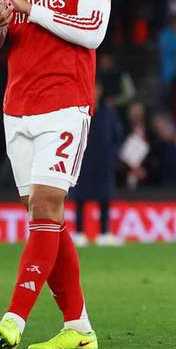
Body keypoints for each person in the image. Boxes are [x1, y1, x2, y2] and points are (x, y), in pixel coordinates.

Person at [0, 0, 111, 349]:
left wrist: (31, 10)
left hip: (65, 104)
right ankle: (78, 326)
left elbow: (93, 29)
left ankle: (14, 318)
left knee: (47, 208)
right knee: (43, 217)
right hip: (18, 106)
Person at [70, 80, 124, 247]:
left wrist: (112, 155)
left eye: (96, 88)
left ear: (100, 91)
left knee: (105, 197)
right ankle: (79, 233)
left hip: (103, 161)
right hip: (83, 160)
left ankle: (104, 233)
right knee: (79, 197)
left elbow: (117, 136)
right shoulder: (78, 110)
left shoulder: (109, 112)